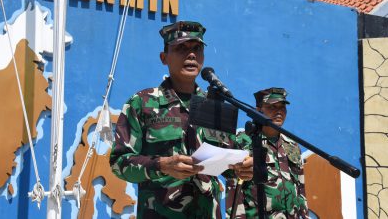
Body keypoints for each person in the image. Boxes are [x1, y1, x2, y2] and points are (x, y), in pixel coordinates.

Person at [109, 21, 253, 219]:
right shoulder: (141, 103)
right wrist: (162, 164)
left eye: (197, 48)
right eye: (181, 48)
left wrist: (242, 168)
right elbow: (119, 162)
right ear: (164, 58)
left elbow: (228, 163)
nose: (191, 54)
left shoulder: (213, 106)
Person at [227, 87, 309, 218]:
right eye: (272, 107)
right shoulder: (242, 140)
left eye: (282, 107)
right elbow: (234, 188)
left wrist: (304, 215)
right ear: (258, 110)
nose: (279, 111)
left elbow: (300, 188)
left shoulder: (292, 145)